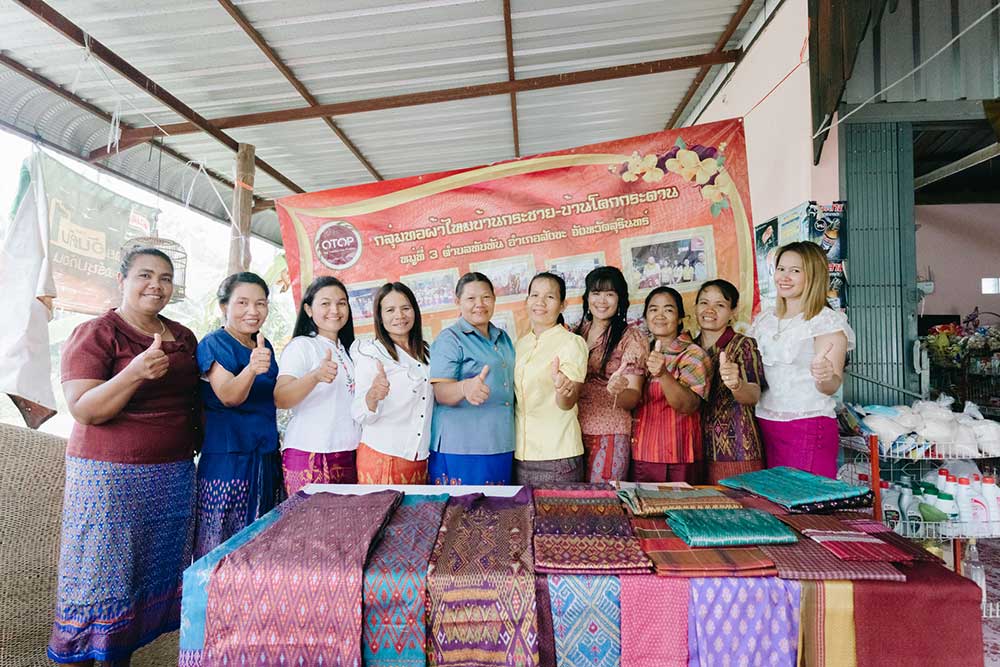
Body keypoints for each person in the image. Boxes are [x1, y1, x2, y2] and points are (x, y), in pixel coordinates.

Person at [48, 248, 199, 666]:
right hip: (110, 480)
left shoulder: (183, 336)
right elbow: (85, 409)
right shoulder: (97, 333)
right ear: (122, 280)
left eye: (165, 278)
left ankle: (120, 657)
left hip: (171, 479)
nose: (156, 285)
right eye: (145, 275)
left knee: (141, 580)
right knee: (99, 581)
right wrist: (134, 372)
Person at [194, 272, 282, 559]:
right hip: (228, 462)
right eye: (242, 302)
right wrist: (251, 369)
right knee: (221, 546)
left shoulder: (263, 345)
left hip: (265, 457)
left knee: (260, 546)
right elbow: (229, 395)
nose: (253, 311)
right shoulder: (213, 343)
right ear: (224, 306)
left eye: (260, 303)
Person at [748, 241, 854, 478]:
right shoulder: (764, 320)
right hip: (764, 424)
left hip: (808, 425)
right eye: (781, 269)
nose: (784, 277)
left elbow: (830, 386)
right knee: (772, 498)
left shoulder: (826, 321)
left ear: (813, 275)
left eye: (795, 270)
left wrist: (825, 375)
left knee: (807, 499)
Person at [274, 276, 360, 494]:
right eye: (325, 303)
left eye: (341, 303)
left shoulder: (348, 351)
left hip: (348, 452)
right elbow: (281, 398)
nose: (335, 310)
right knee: (310, 517)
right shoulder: (302, 346)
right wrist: (315, 376)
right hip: (310, 452)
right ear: (308, 310)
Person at [428, 273, 515, 485]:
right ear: (457, 301)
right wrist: (465, 388)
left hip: (502, 441)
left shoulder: (503, 337)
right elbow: (440, 392)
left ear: (494, 299)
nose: (479, 304)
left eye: (486, 297)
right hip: (463, 446)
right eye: (471, 298)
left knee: (499, 504)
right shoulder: (450, 339)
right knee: (464, 505)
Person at [350, 282, 434, 484]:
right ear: (379, 317)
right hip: (383, 458)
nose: (399, 315)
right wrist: (372, 395)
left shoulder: (426, 352)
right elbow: (359, 413)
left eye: (405, 308)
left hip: (419, 458)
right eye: (390, 310)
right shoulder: (371, 353)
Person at [513, 272, 589, 485]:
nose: (540, 302)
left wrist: (563, 390)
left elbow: (568, 402)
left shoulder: (572, 343)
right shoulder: (519, 345)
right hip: (520, 454)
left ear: (563, 305)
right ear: (527, 301)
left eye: (550, 297)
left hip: (558, 455)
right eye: (535, 295)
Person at [574, 266, 647, 482]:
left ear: (620, 299)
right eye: (596, 293)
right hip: (571, 432)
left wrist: (618, 390)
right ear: (587, 298)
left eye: (610, 294)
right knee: (572, 498)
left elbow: (632, 397)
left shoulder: (631, 338)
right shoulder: (574, 333)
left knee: (604, 497)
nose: (602, 300)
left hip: (610, 433)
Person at [632, 286, 711, 483]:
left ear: (680, 318)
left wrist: (663, 374)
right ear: (645, 317)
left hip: (678, 454)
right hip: (642, 451)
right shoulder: (641, 351)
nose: (660, 315)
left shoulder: (693, 354)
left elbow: (689, 405)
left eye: (668, 309)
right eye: (653, 309)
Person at [694, 279, 766, 483]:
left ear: (733, 311)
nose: (709, 310)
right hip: (697, 451)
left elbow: (753, 394)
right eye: (704, 302)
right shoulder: (688, 347)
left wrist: (737, 385)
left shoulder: (743, 345)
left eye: (720, 305)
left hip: (738, 450)